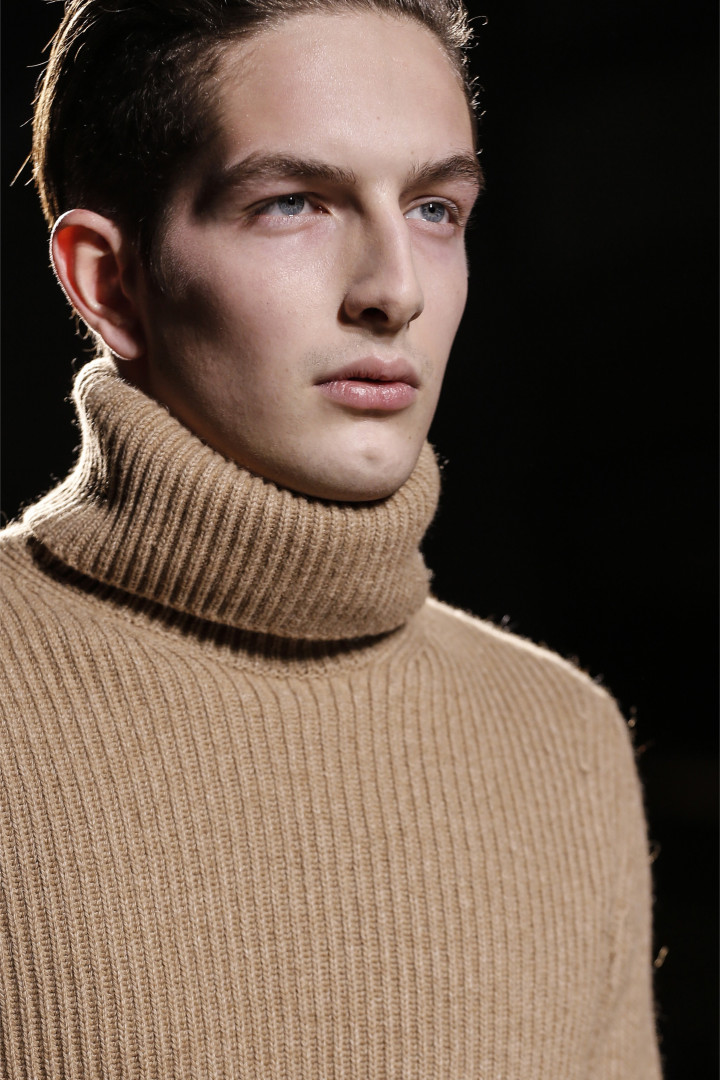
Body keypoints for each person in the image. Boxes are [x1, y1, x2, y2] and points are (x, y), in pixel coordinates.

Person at [0, 1, 661, 1076]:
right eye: (294, 203)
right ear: (107, 280)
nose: (396, 291)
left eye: (436, 209)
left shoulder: (565, 742)